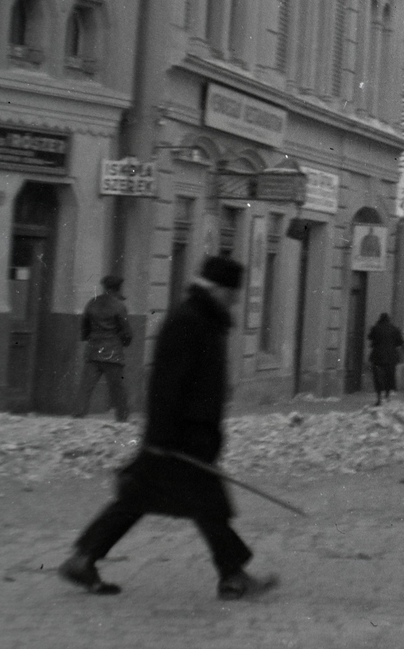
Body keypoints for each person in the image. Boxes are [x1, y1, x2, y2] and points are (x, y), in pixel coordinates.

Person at [59, 255, 276, 601]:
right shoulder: (189, 320)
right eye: (233, 294)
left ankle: (83, 559)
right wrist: (160, 439)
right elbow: (165, 384)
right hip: (179, 438)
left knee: (141, 500)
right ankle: (233, 576)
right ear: (219, 290)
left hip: (186, 436)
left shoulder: (203, 318)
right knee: (206, 506)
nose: (235, 301)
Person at [74, 275, 133, 421]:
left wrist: (89, 338)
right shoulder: (119, 306)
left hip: (93, 351)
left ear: (105, 287)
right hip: (113, 353)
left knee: (85, 387)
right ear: (118, 288)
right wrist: (123, 343)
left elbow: (84, 328)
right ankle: (122, 418)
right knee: (117, 388)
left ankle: (78, 415)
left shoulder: (92, 303)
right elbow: (127, 332)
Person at [367, 312, 404, 406]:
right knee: (389, 376)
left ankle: (379, 398)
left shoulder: (376, 328)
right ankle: (387, 396)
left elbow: (370, 337)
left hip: (377, 357)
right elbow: (400, 342)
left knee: (378, 377)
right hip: (391, 357)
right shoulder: (394, 329)